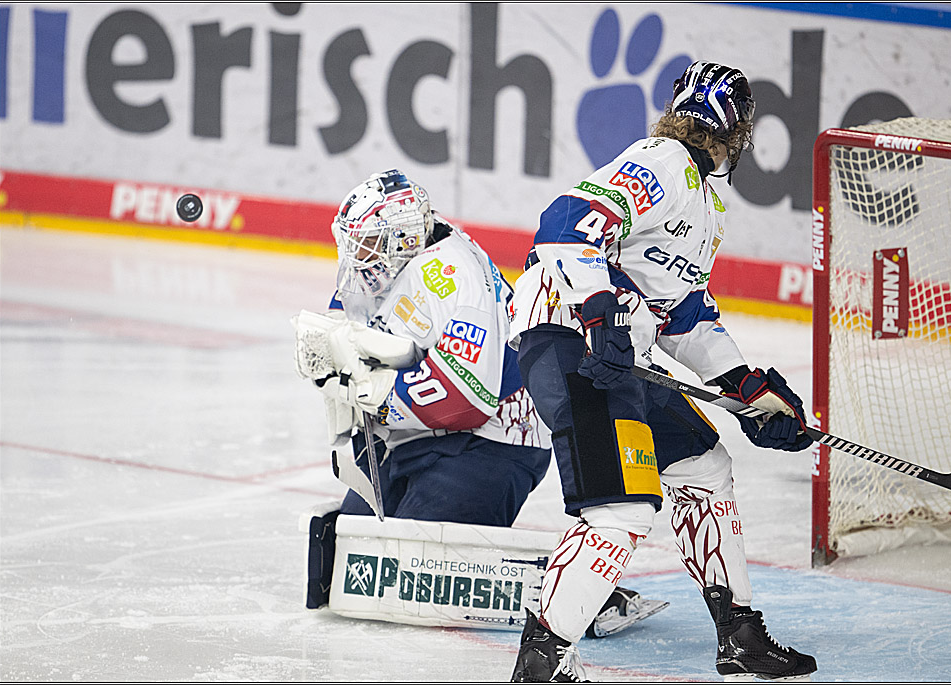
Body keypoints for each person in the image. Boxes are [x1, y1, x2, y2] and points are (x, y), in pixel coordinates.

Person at [506, 61, 819, 682]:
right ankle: (544, 663)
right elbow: (565, 227)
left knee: (705, 467)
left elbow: (686, 317)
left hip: (617, 356)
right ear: (740, 134)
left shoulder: (702, 203)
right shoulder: (662, 162)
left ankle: (739, 634)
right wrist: (598, 315)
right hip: (573, 344)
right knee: (621, 511)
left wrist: (744, 387)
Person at [292, 168, 667, 637]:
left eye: (367, 245)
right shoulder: (393, 260)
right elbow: (354, 317)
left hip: (495, 443)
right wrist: (333, 356)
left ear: (403, 239)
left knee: (408, 574)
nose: (358, 258)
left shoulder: (452, 277)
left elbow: (467, 401)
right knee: (353, 561)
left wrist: (379, 398)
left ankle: (588, 591)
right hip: (421, 438)